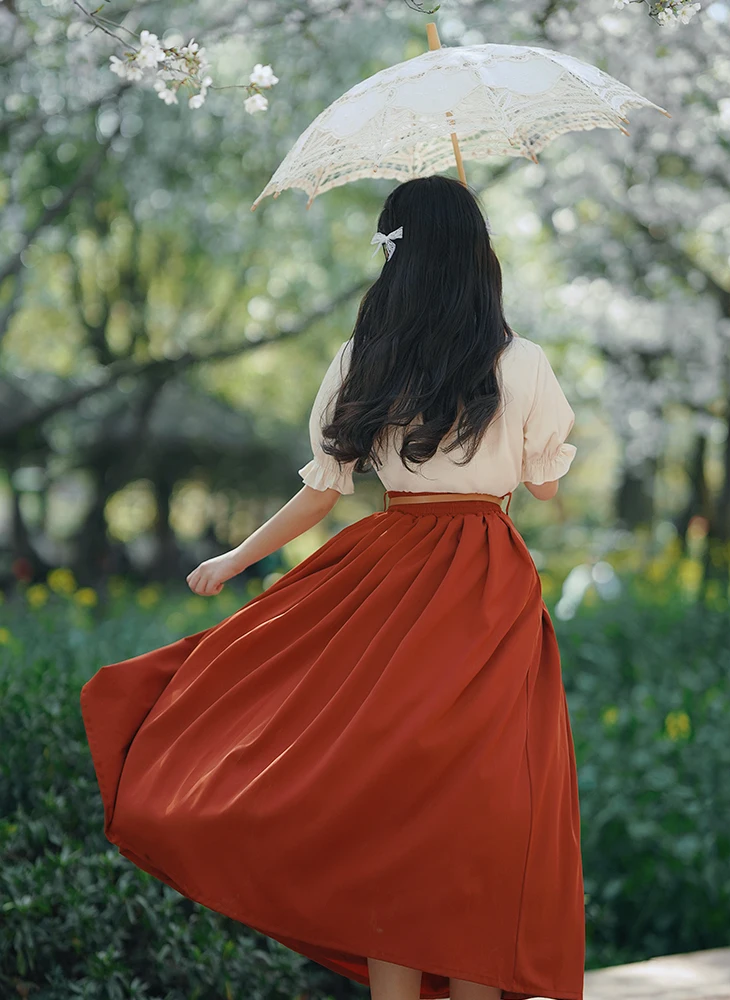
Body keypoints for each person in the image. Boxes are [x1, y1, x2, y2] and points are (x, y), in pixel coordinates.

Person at [80, 174, 585, 1000]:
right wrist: (522, 410)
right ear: (477, 259)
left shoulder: (365, 357)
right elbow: (546, 489)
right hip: (484, 587)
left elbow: (324, 490)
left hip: (388, 575)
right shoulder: (520, 361)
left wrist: (232, 560)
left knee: (389, 802)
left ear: (397, 258)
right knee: (479, 813)